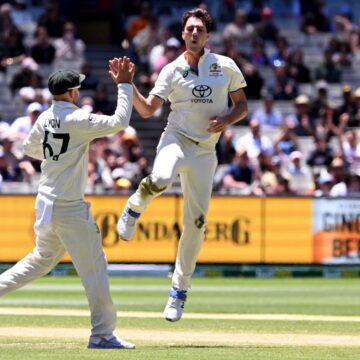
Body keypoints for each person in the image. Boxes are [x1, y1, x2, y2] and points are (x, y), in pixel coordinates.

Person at [117, 8, 248, 322]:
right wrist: (126, 84)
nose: (193, 34)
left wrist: (228, 119)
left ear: (207, 35)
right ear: (182, 34)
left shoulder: (225, 66)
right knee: (160, 178)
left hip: (205, 152)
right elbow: (148, 110)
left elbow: (242, 105)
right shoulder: (171, 69)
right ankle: (134, 208)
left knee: (197, 225)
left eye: (199, 30)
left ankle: (179, 291)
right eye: (189, 29)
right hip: (175, 139)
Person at [0, 58, 136, 350]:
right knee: (94, 267)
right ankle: (102, 334)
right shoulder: (76, 118)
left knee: (39, 261)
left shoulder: (45, 117)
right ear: (73, 92)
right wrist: (124, 85)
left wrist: (56, 156)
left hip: (46, 201)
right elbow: (120, 122)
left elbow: (28, 148)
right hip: (68, 206)